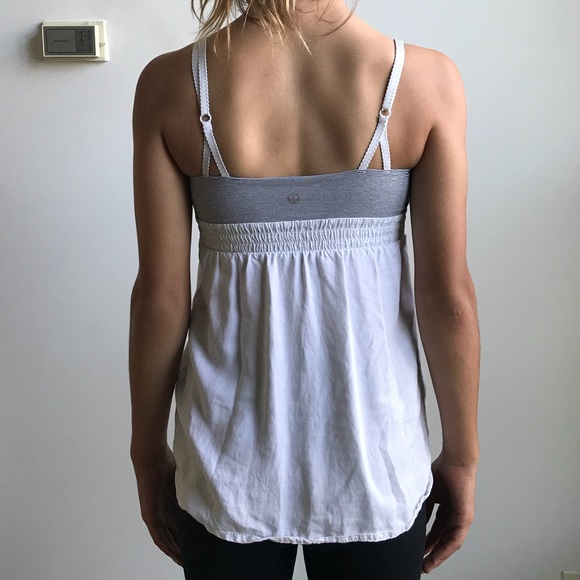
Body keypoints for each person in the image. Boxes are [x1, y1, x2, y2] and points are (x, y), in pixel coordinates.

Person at [128, 0, 480, 577]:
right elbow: (449, 300)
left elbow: (159, 301)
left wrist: (147, 454)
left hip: (224, 469)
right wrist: (462, 456)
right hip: (376, 463)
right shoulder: (426, 80)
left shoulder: (170, 84)